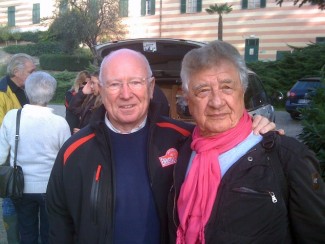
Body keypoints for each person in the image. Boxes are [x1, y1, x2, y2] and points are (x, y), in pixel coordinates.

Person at [46, 48, 277, 243]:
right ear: (101, 90)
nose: (126, 94)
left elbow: (228, 139)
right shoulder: (74, 151)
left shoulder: (184, 138)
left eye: (135, 82)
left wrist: (258, 130)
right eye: (115, 84)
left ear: (150, 86)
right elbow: (58, 224)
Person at [168, 40, 325, 243]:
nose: (216, 102)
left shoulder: (287, 157)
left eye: (227, 87)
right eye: (203, 91)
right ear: (187, 98)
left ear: (243, 90)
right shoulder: (182, 151)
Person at [0, 71, 71, 243]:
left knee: (26, 232)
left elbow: (1, 155)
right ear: (52, 94)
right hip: (51, 187)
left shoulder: (12, 117)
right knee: (49, 233)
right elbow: (68, 160)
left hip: (20, 187)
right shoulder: (60, 123)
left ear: (27, 91)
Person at [0, 53, 36, 244]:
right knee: (11, 202)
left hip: (26, 159)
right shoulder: (1, 92)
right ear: (16, 71)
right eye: (31, 71)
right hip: (10, 163)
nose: (34, 74)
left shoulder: (25, 89)